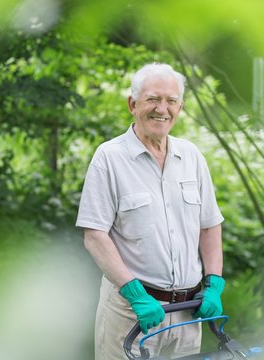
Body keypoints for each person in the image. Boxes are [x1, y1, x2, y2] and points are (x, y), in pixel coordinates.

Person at [76, 63, 225, 360]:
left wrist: (214, 285)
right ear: (133, 104)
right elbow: (95, 235)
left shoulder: (192, 157)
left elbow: (209, 226)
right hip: (131, 314)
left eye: (171, 101)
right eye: (153, 99)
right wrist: (135, 295)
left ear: (180, 107)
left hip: (186, 313)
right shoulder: (110, 157)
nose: (162, 109)